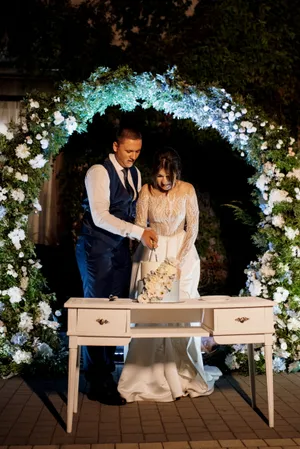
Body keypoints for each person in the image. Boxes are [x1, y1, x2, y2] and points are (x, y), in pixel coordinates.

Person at [117, 147, 222, 402]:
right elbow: (141, 225)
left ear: (177, 173)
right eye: (160, 176)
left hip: (182, 254)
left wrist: (178, 261)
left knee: (181, 317)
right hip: (152, 250)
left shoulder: (187, 190)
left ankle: (183, 373)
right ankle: (147, 376)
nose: (164, 182)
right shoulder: (146, 191)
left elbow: (193, 227)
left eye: (168, 176)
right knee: (150, 315)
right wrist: (152, 247)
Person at [75, 126, 158, 405]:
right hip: (95, 247)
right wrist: (137, 233)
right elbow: (100, 216)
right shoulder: (98, 172)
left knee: (116, 309)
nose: (133, 156)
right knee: (97, 311)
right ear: (115, 146)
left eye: (137, 151)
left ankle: (107, 373)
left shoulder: (135, 174)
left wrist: (144, 232)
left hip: (120, 250)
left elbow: (131, 214)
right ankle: (96, 379)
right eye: (128, 151)